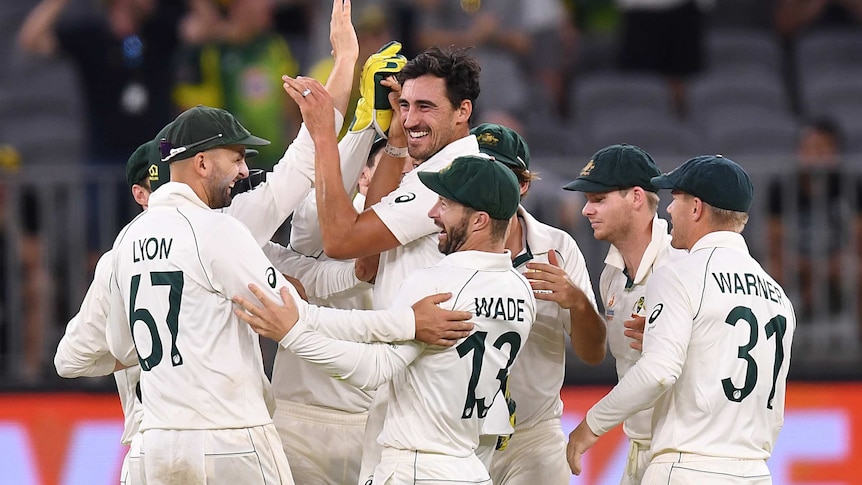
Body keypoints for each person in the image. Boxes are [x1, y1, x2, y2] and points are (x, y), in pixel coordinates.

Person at [233, 154, 537, 485]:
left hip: (417, 467)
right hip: (470, 466)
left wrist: (296, 330)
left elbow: (373, 368)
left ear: (479, 220)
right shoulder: (521, 289)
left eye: (446, 205)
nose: (433, 213)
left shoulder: (439, 283)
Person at [567, 155, 797, 484]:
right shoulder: (778, 295)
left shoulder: (679, 274)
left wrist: (590, 426)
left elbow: (659, 372)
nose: (669, 209)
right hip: (755, 470)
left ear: (696, 208)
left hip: (688, 464)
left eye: (675, 199)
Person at [464, 123, 605, 483]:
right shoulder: (441, 243)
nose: (486, 186)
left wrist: (577, 302)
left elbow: (593, 354)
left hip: (533, 435)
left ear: (523, 185)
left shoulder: (557, 247)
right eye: (477, 171)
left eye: (499, 174)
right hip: (458, 436)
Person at [563, 143, 682, 484]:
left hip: (682, 452)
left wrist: (681, 340)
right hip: (640, 450)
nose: (586, 210)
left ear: (636, 197)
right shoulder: (610, 276)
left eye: (598, 199)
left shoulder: (679, 265)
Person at [766, 119, 862, 332]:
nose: (815, 154)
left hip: (838, 260)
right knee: (773, 271)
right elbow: (773, 241)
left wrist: (833, 263)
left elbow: (858, 237)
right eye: (809, 148)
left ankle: (858, 342)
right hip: (796, 260)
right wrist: (805, 265)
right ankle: (775, 341)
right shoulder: (782, 186)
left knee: (858, 269)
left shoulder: (850, 185)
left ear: (836, 151)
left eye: (822, 148)